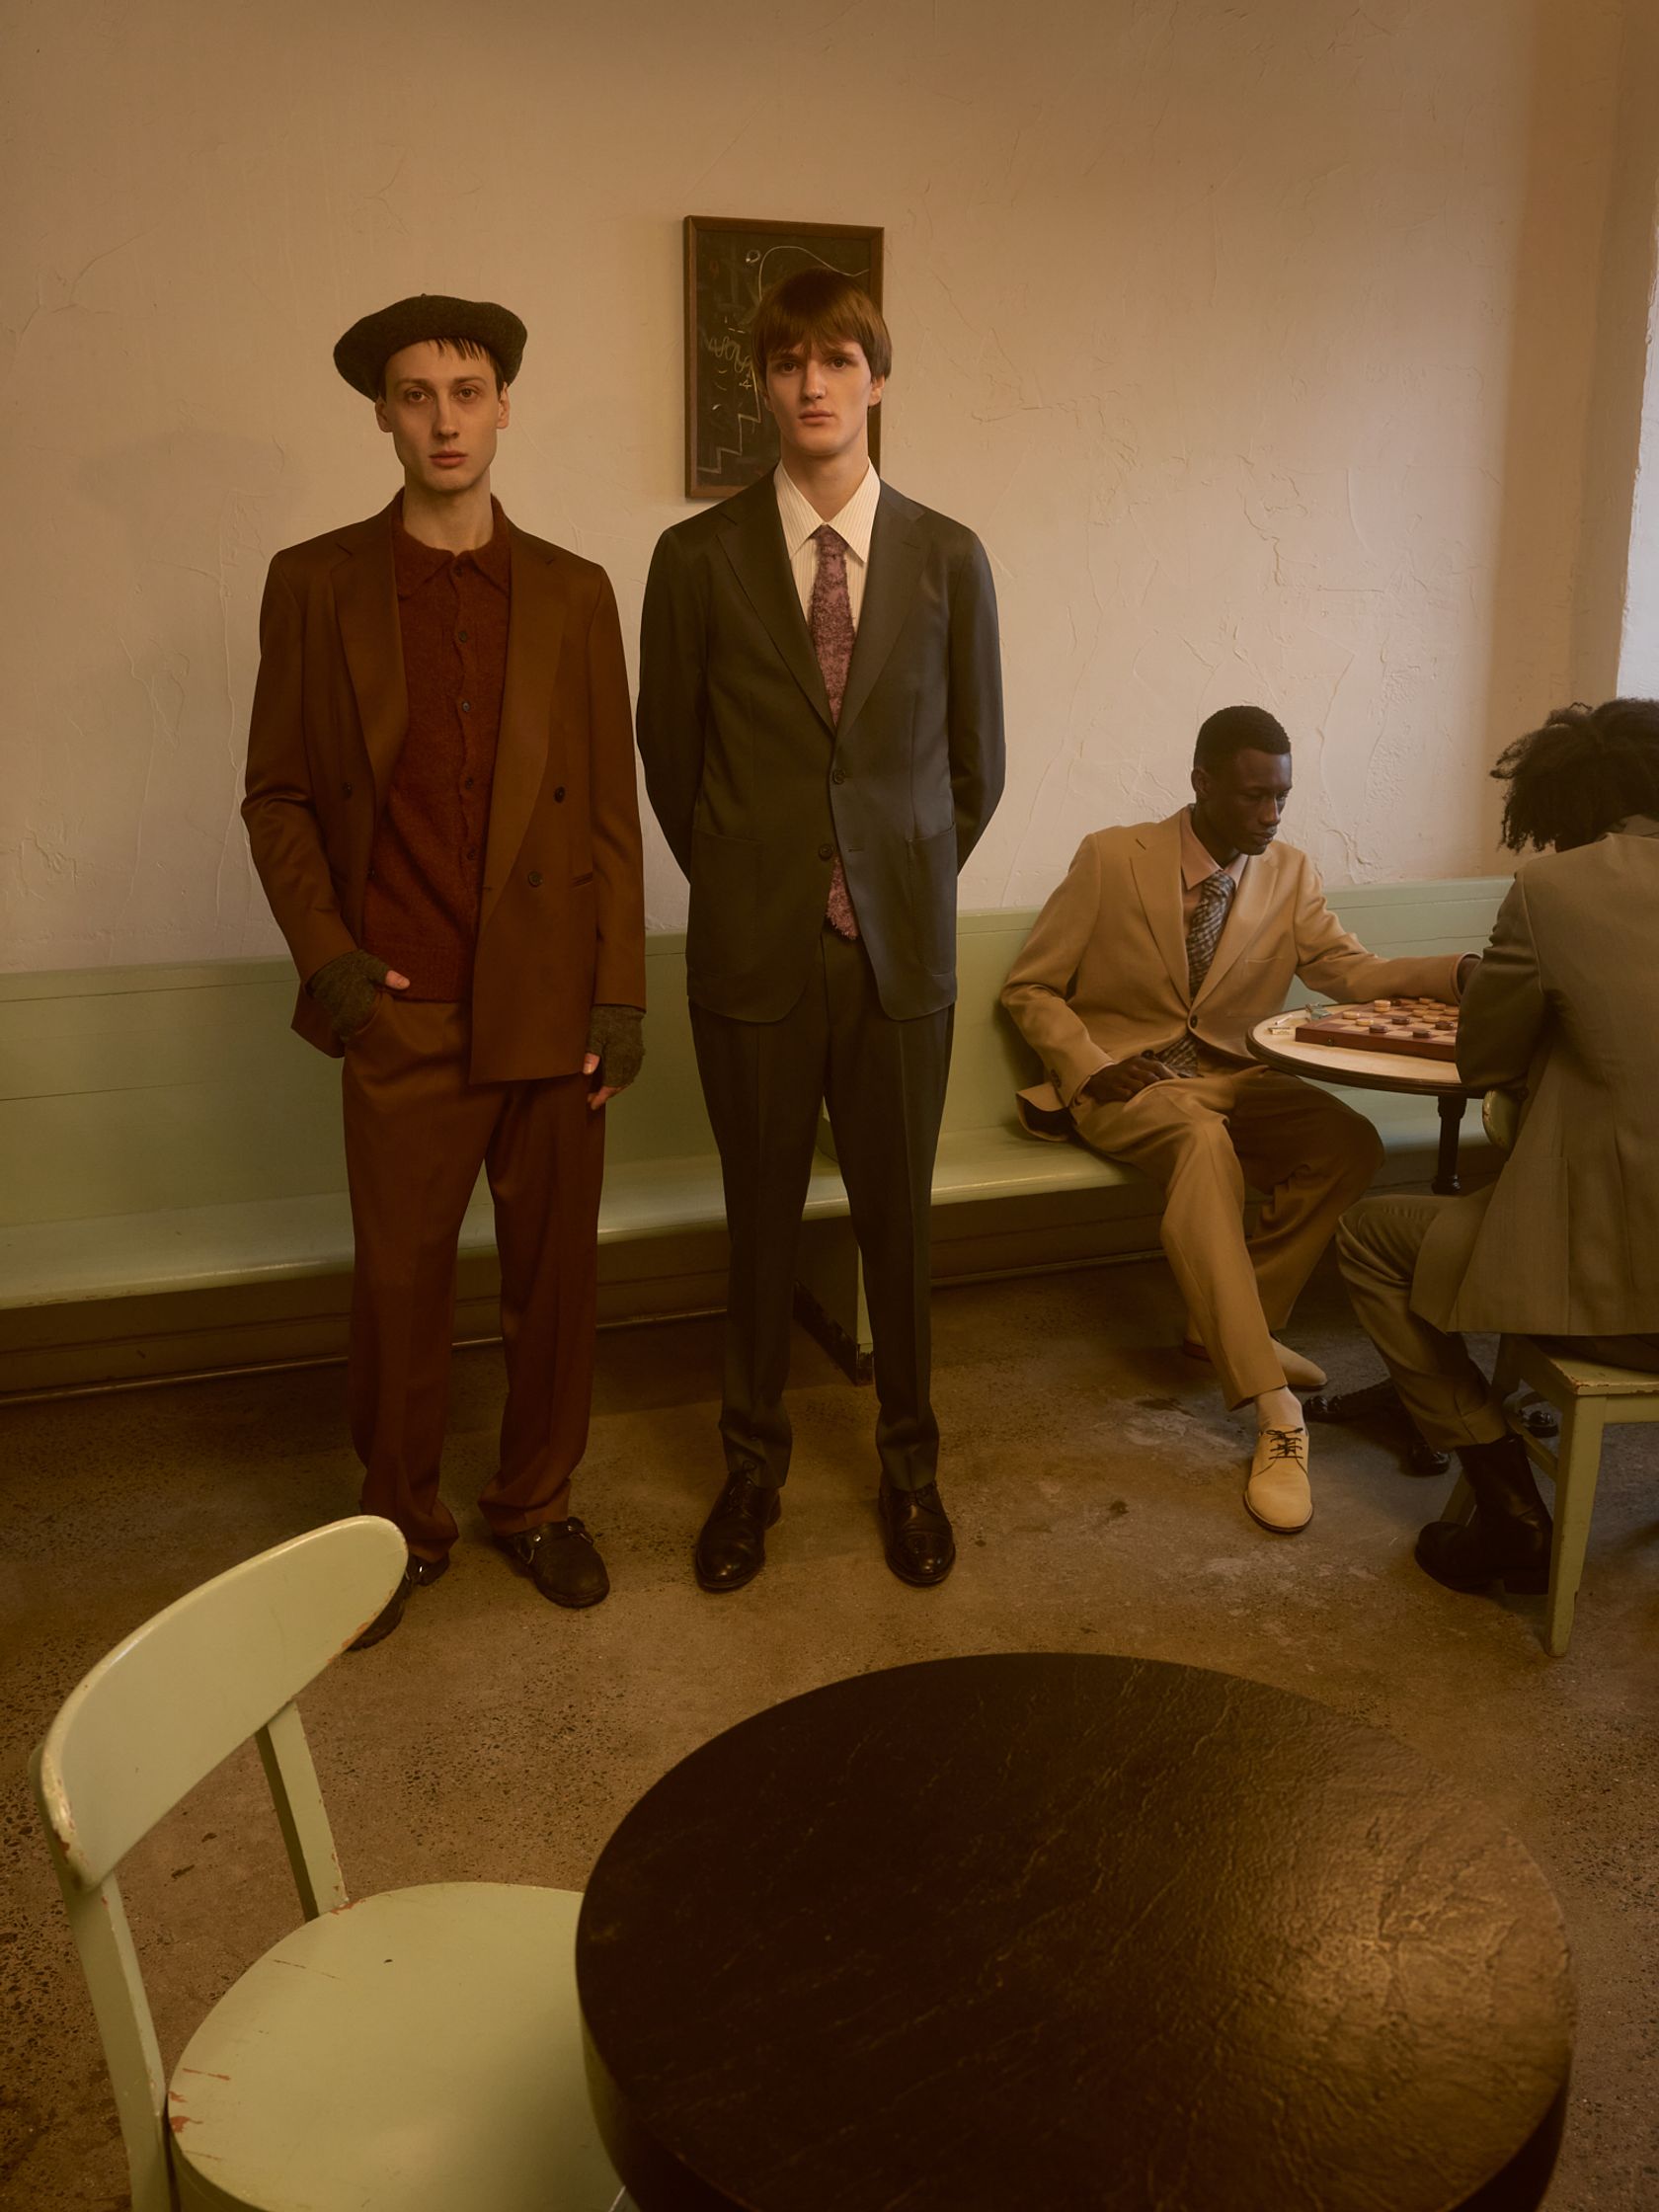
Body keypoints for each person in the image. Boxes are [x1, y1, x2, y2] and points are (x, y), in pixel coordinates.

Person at [243, 293, 646, 1645]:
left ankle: (534, 1503)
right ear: (381, 417)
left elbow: (606, 812)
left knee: (555, 1280)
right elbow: (279, 797)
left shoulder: (578, 591)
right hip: (400, 1007)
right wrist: (336, 967)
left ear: (504, 405)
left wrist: (619, 996)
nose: (443, 419)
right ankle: (397, 1526)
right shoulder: (316, 582)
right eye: (415, 395)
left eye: (466, 391)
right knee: (399, 1290)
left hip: (548, 1003)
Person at [636, 268, 1004, 1593]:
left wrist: (883, 882)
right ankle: (751, 1472)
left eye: (838, 359)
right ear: (763, 389)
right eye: (788, 362)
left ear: (877, 380)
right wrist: (759, 882)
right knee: (759, 1226)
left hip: (901, 962)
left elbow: (978, 769)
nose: (812, 384)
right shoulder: (695, 560)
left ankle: (912, 1471)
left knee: (899, 1228)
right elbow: (670, 764)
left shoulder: (950, 555)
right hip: (753, 954)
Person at [1001, 705, 1473, 1535]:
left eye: (1282, 799)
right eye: (1255, 797)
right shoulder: (1113, 856)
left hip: (1233, 1074)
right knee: (1199, 1141)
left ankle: (1228, 1322)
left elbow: (1350, 973)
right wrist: (1093, 1066)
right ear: (1203, 783)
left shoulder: (1287, 871)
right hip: (1127, 1086)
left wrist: (1461, 972)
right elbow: (1030, 988)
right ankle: (1272, 1406)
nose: (1270, 815)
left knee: (1346, 1144)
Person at [1337, 699, 1659, 1598]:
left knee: (1368, 1238)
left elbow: (1482, 1060)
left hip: (1625, 1301)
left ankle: (1509, 1511)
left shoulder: (1556, 893)